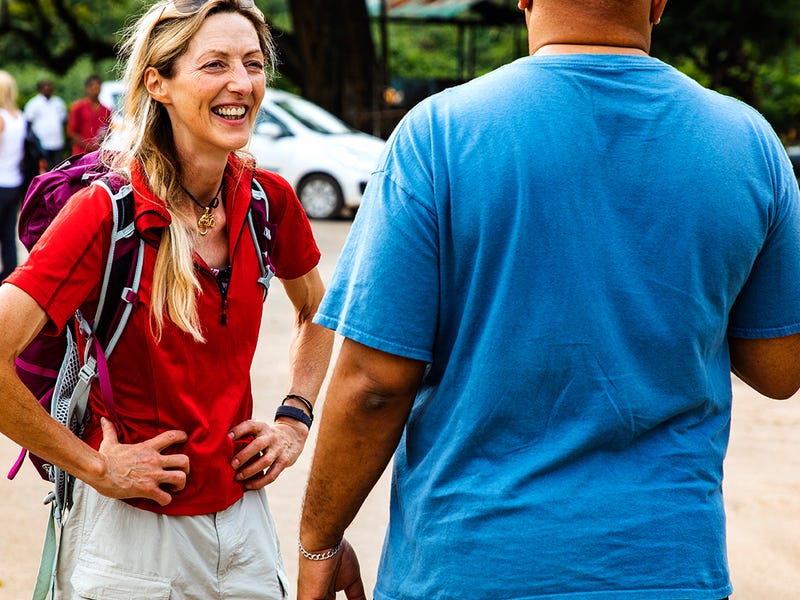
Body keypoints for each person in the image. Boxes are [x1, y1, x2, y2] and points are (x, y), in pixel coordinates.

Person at [297, 0, 800, 599]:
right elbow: (780, 367)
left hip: (473, 569)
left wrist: (319, 541)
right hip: (665, 569)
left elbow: (374, 385)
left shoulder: (439, 136)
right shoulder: (748, 144)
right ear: (661, 3)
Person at [0, 0, 332, 597]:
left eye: (253, 63)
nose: (241, 83)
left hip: (246, 528)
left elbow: (318, 311)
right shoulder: (106, 213)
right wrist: (96, 466)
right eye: (214, 64)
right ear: (159, 83)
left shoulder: (268, 201)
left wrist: (295, 418)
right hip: (133, 542)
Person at [0, 70, 25, 283]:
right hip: (14, 182)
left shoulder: (1, 119)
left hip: (0, 182)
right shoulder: (19, 117)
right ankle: (8, 278)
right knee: (8, 237)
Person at [23, 79, 67, 169]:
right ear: (39, 89)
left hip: (56, 143)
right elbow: (28, 122)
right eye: (45, 86)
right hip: (41, 144)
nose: (47, 88)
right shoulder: (33, 103)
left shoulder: (58, 102)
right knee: (42, 169)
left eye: (49, 85)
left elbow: (63, 120)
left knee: (57, 169)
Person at [67, 74, 113, 156]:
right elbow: (72, 132)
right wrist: (89, 146)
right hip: (80, 153)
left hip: (97, 154)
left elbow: (108, 131)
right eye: (92, 85)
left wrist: (101, 142)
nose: (95, 87)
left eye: (98, 84)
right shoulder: (78, 107)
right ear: (87, 88)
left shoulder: (107, 110)